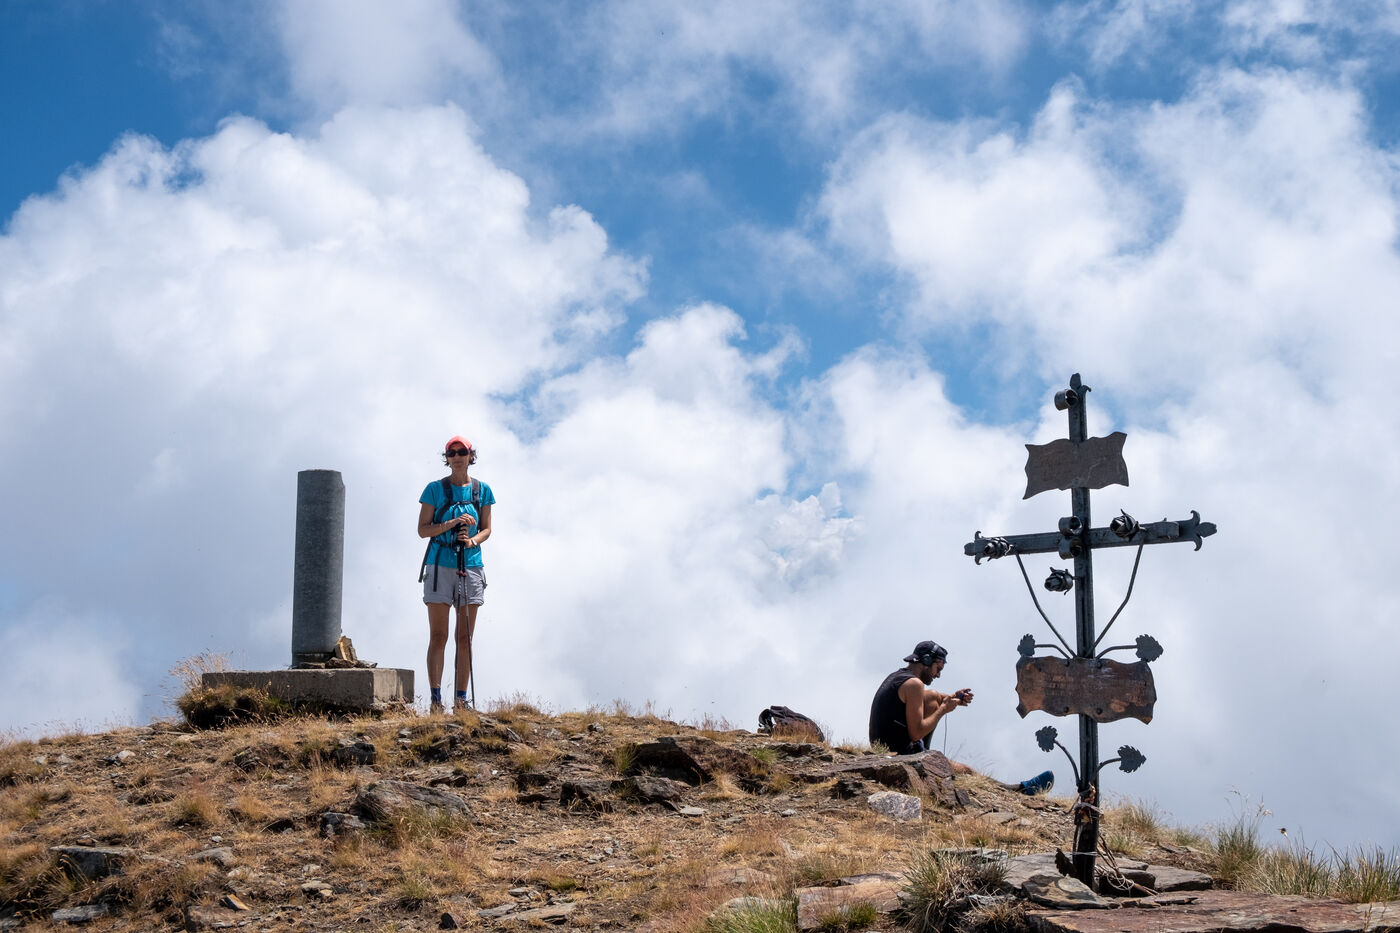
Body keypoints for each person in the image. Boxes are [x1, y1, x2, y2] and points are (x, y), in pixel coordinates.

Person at [869, 639, 1054, 795]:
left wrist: (952, 698)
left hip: (886, 745)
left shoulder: (901, 677)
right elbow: (916, 733)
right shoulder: (914, 685)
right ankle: (1017, 790)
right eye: (938, 668)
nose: (938, 675)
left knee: (932, 696)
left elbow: (930, 699)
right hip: (898, 754)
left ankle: (923, 753)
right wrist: (943, 710)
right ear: (926, 660)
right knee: (967, 771)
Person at [418, 436, 496, 713]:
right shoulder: (434, 489)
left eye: (462, 452)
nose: (457, 457)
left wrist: (471, 540)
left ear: (470, 456)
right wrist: (452, 523)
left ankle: (461, 702)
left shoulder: (482, 490)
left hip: (470, 564)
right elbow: (423, 529)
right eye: (452, 453)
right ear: (447, 458)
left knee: (465, 638)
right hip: (440, 564)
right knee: (438, 635)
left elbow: (487, 529)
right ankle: (436, 701)